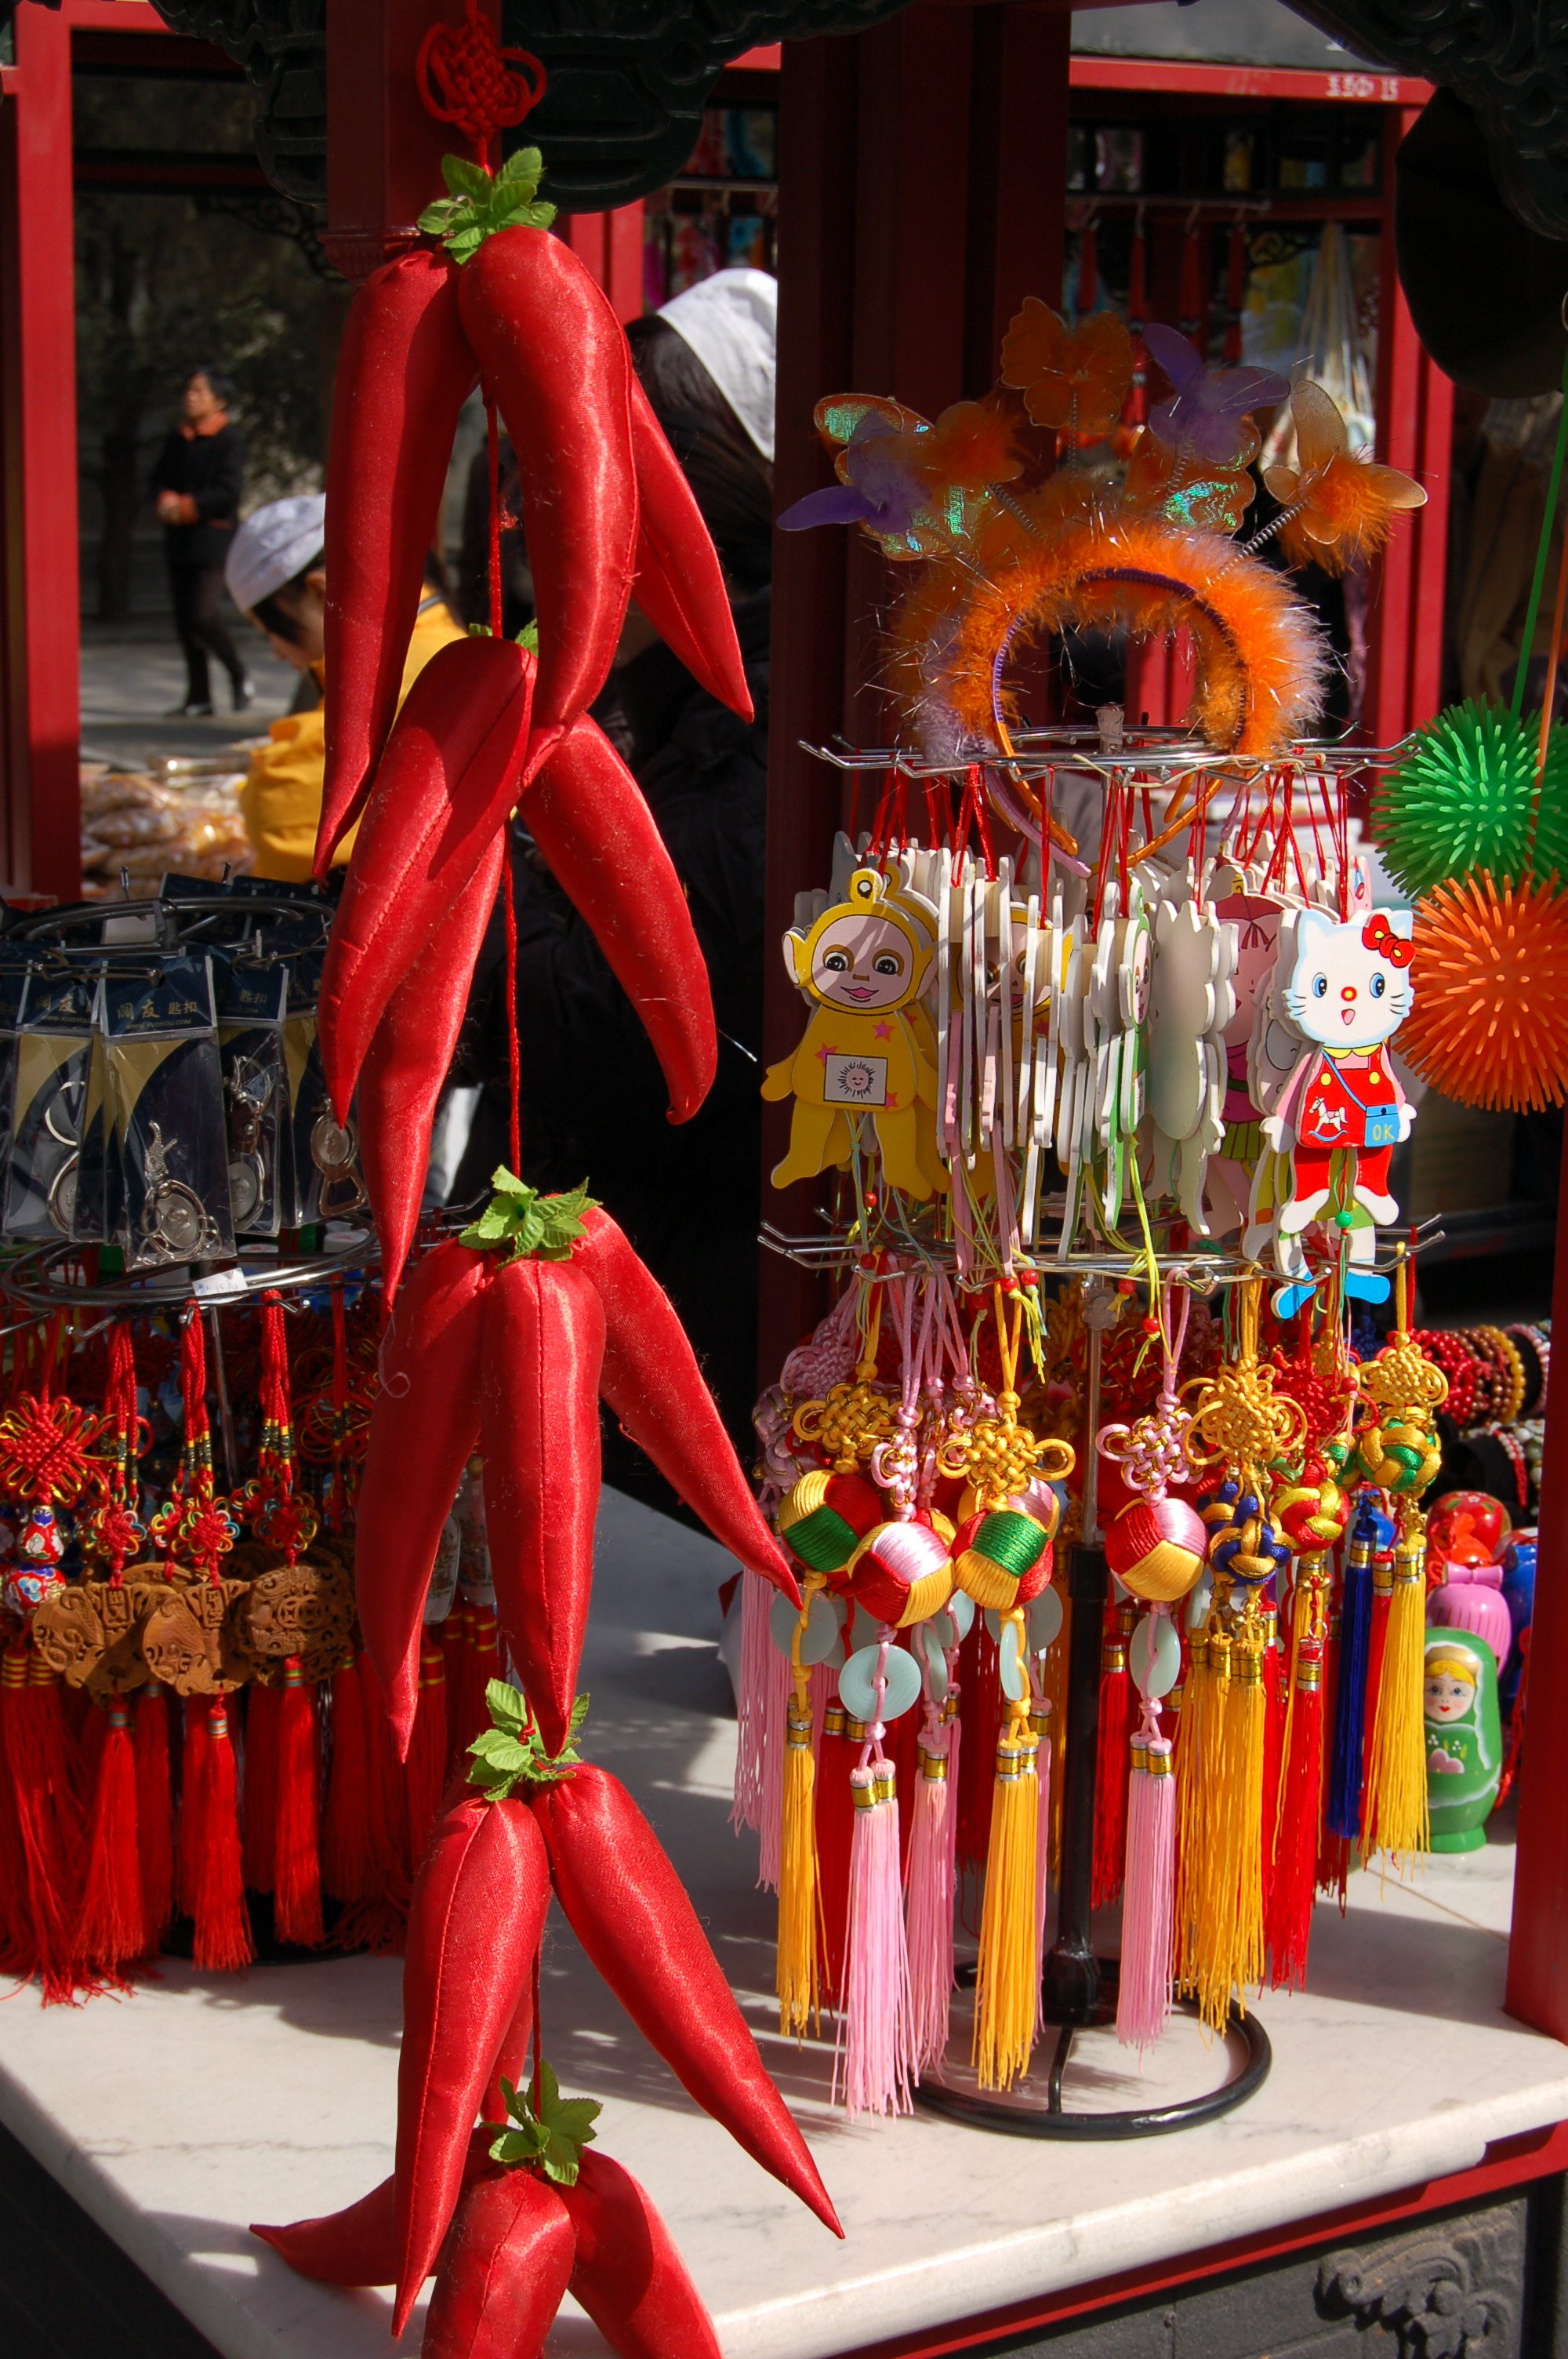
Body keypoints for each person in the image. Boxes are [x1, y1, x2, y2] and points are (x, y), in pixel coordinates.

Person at [452, 267, 778, 1503]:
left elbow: (598, 1013)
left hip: (683, 1375)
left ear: (700, 508)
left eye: (567, 480)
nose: (526, 522)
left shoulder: (767, 749)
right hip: (589, 1326)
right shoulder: (628, 703)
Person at [224, 493, 466, 882]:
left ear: (321, 594)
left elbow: (282, 813)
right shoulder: (432, 642)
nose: (277, 653)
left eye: (269, 630)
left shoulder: (405, 670)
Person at [151, 368, 250, 717]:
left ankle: (238, 673)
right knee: (184, 620)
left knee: (203, 614)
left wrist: (189, 506)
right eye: (188, 391)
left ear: (218, 400)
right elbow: (158, 479)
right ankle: (199, 696)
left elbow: (229, 492)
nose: (190, 397)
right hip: (179, 537)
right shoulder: (178, 439)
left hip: (213, 538)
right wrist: (165, 500)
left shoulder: (229, 440)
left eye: (198, 391)